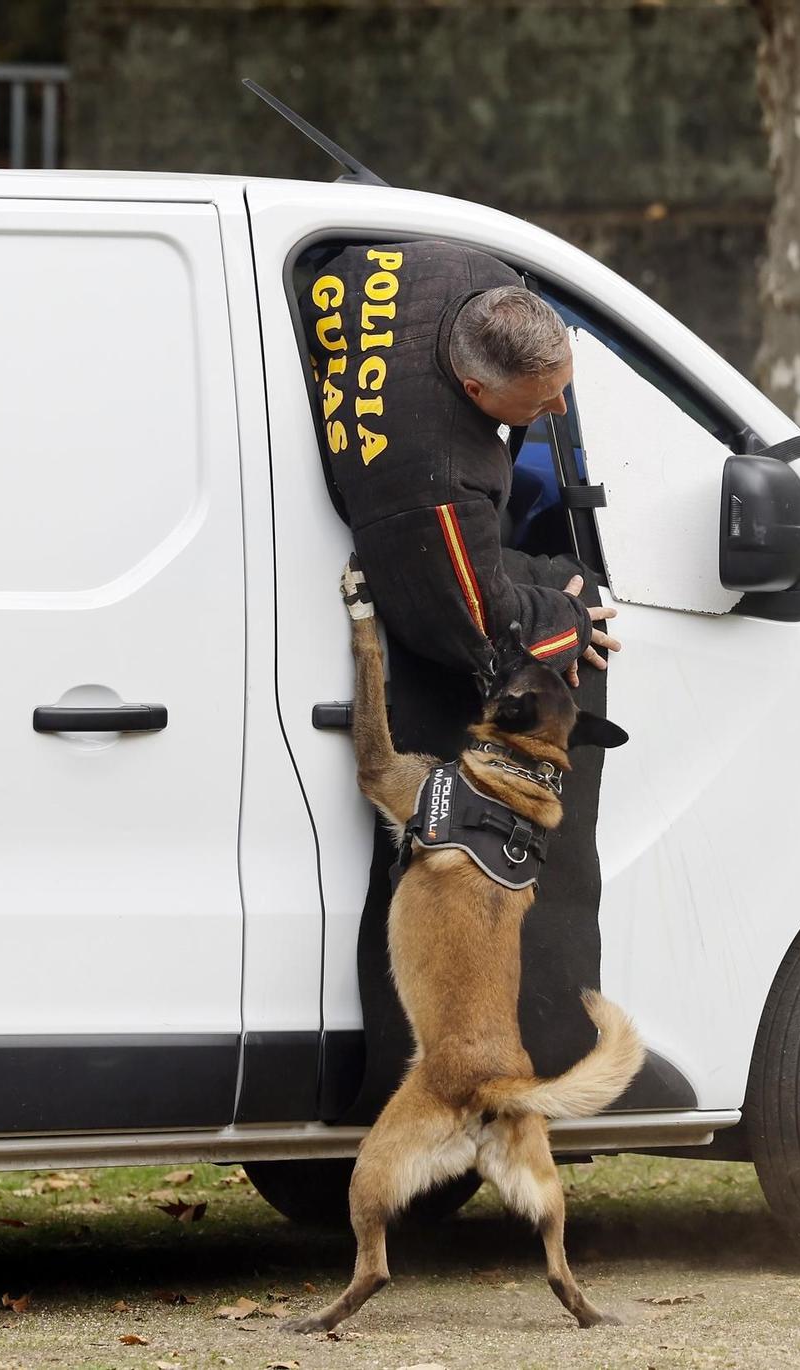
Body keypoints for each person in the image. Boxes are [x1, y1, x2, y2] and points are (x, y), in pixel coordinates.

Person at [300, 240, 621, 1119]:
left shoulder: (460, 275)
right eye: (543, 400)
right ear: (475, 393)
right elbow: (470, 624)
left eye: (564, 381)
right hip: (426, 548)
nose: (560, 406)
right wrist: (562, 618)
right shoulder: (433, 480)